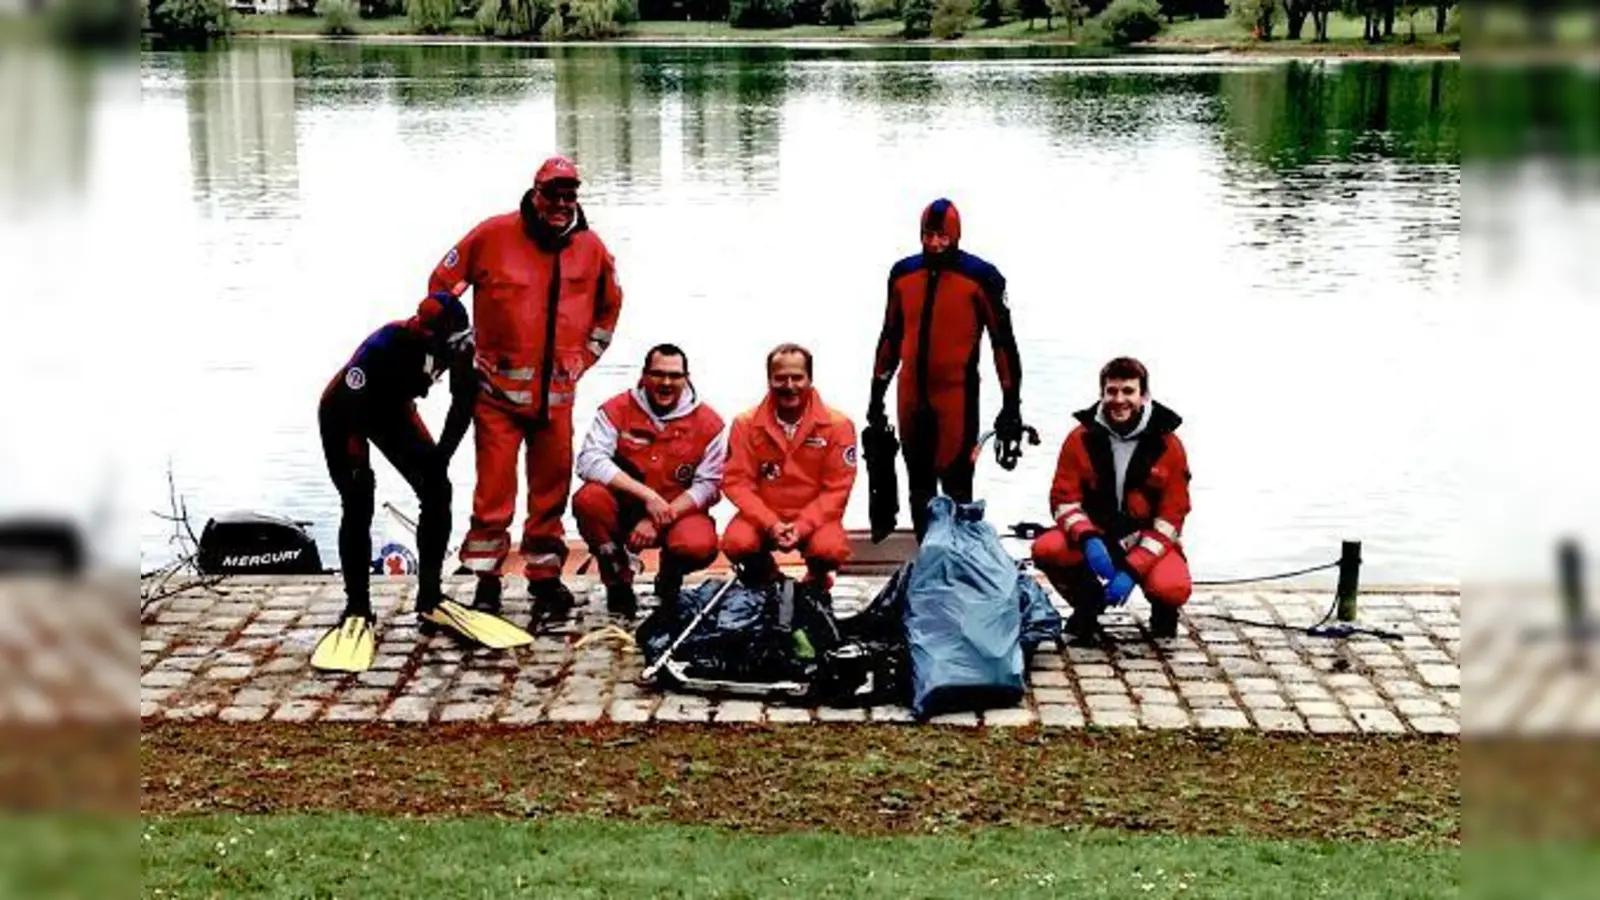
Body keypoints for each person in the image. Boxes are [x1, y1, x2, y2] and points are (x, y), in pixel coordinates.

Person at [427, 154, 624, 628]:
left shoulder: (591, 248)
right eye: (552, 193)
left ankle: (545, 578)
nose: (560, 202)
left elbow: (610, 306)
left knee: (550, 492)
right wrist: (456, 346)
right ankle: (487, 580)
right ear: (535, 194)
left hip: (556, 397)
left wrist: (583, 359)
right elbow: (440, 289)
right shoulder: (491, 236)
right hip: (495, 394)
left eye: (568, 194)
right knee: (493, 492)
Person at [312, 293, 475, 670]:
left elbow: (463, 404)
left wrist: (442, 457)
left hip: (392, 410)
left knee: (437, 490)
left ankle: (430, 597)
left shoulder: (461, 346)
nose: (458, 349)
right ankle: (357, 607)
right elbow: (352, 411)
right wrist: (357, 467)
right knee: (359, 498)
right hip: (345, 412)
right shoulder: (386, 344)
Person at [868, 197, 1026, 541]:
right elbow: (890, 338)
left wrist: (1011, 405)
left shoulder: (982, 278)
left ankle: (959, 566)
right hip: (910, 394)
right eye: (928, 235)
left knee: (956, 486)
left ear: (955, 236)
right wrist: (875, 397)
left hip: (955, 397)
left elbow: (1004, 345)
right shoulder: (903, 274)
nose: (935, 243)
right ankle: (927, 560)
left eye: (942, 236)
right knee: (918, 484)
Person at [1030, 357, 1193, 642]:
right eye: (1112, 391)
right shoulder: (1079, 438)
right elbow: (1063, 500)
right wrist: (1087, 538)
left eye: (1128, 391)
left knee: (1173, 587)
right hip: (1097, 537)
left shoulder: (1169, 445)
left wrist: (1133, 567)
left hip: (1145, 540)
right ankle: (1088, 604)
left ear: (1144, 396)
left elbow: (1171, 518)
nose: (1119, 400)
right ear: (1102, 394)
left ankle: (1164, 612)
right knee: (1047, 549)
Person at [572, 344, 727, 620]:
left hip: (678, 513)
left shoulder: (709, 424)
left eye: (674, 376)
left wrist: (658, 518)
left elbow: (711, 486)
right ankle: (617, 578)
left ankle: (670, 575)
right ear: (643, 376)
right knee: (588, 500)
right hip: (625, 510)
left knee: (698, 544)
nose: (666, 383)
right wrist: (646, 496)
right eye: (657, 374)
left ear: (686, 378)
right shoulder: (615, 409)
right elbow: (588, 461)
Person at [721, 343, 859, 595]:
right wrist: (771, 523)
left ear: (810, 379)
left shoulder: (839, 425)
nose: (789, 386)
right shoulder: (745, 424)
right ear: (769, 380)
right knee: (736, 543)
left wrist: (803, 525)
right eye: (780, 378)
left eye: (797, 377)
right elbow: (736, 483)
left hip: (814, 519)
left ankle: (817, 579)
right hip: (763, 516)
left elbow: (838, 490)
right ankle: (768, 577)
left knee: (829, 549)